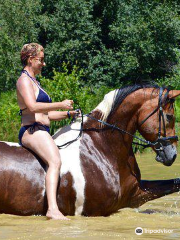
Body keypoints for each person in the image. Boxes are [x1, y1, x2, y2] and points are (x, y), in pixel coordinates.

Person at [16, 43, 77, 220]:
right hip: (31, 131)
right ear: (30, 59)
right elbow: (33, 106)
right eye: (41, 60)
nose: (44, 64)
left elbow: (47, 114)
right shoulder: (24, 80)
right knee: (55, 161)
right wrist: (60, 103)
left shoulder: (35, 81)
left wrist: (67, 113)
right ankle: (52, 209)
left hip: (41, 129)